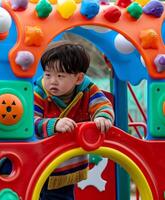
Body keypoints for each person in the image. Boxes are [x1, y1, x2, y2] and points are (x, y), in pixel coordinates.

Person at [34, 41, 114, 200]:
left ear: (78, 78)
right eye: (48, 74)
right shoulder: (39, 92)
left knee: (61, 197)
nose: (52, 81)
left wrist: (102, 117)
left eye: (60, 76)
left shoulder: (87, 90)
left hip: (66, 164)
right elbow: (29, 121)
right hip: (38, 161)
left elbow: (102, 104)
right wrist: (54, 124)